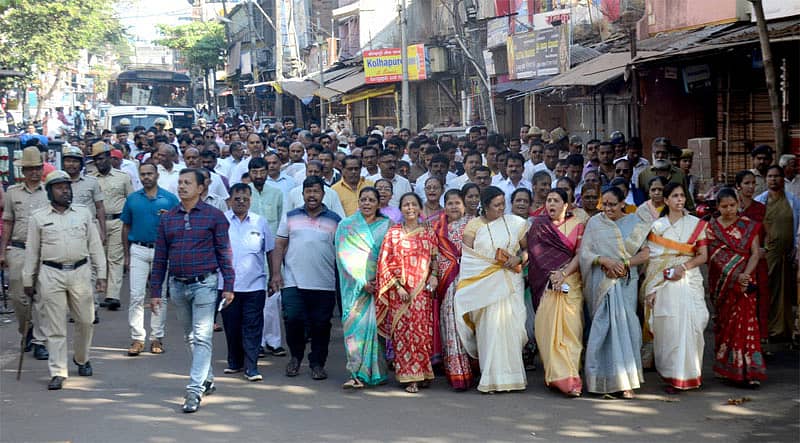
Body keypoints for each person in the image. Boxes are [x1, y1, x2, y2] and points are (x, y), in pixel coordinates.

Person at [150, 168, 236, 413]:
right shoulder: (168, 218)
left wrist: (228, 285)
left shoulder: (215, 216)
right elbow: (160, 258)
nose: (182, 186)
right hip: (177, 286)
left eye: (187, 182)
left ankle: (194, 390)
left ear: (201, 188)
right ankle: (206, 378)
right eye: (180, 182)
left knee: (202, 336)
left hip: (205, 285)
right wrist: (156, 290)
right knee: (190, 336)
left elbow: (224, 253)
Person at [22, 171, 107, 390]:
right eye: (59, 188)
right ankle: (58, 371)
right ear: (49, 192)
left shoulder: (83, 213)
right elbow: (32, 251)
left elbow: (95, 246)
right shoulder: (39, 218)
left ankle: (82, 358)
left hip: (80, 271)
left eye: (67, 187)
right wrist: (28, 280)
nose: (65, 191)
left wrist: (102, 275)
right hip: (50, 274)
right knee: (55, 325)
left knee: (86, 320)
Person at [455, 186, 528, 393]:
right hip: (485, 286)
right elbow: (468, 259)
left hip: (511, 281)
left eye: (503, 204)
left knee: (512, 329)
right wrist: (489, 268)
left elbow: (527, 249)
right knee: (490, 330)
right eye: (496, 206)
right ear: (485, 207)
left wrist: (518, 258)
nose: (501, 209)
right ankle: (491, 379)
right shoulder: (474, 226)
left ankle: (514, 378)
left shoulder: (515, 223)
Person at [579, 186, 650, 399]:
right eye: (605, 204)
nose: (607, 209)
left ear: (622, 204)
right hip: (602, 281)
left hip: (626, 282)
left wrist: (625, 263)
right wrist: (605, 261)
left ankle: (626, 382)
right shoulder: (595, 223)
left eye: (612, 204)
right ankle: (599, 380)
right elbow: (585, 253)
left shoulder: (635, 223)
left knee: (626, 328)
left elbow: (646, 253)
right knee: (603, 328)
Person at [270, 176, 341, 381]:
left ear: (323, 194)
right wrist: (276, 274)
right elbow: (279, 245)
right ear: (302, 194)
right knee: (293, 320)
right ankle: (296, 357)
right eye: (308, 191)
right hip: (293, 280)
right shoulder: (290, 216)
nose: (312, 195)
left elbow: (343, 250)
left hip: (324, 282)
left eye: (316, 191)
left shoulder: (335, 219)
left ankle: (318, 363)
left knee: (321, 324)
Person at [642, 183, 709, 394]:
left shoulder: (697, 224)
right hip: (663, 283)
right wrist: (652, 288)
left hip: (689, 279)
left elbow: (703, 255)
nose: (679, 199)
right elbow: (652, 260)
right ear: (667, 200)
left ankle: (690, 375)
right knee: (669, 328)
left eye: (682, 196)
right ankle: (673, 376)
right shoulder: (657, 227)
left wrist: (682, 267)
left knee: (693, 324)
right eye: (675, 196)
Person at [376, 192, 440, 393]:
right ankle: (409, 377)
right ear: (400, 209)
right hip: (400, 293)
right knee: (404, 334)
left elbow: (435, 259)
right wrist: (398, 286)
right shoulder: (393, 233)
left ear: (420, 208)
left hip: (422, 292)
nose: (410, 208)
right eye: (406, 205)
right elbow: (384, 263)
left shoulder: (428, 232)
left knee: (422, 332)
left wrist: (434, 276)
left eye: (414, 204)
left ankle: (423, 371)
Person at [706, 188, 767, 386]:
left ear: (738, 204)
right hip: (723, 285)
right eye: (724, 206)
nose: (729, 210)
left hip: (745, 283)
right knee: (725, 324)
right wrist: (734, 276)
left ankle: (750, 371)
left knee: (747, 324)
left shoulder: (748, 226)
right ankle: (728, 368)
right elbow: (713, 257)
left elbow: (755, 253)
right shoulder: (711, 229)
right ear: (717, 207)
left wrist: (745, 275)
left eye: (733, 205)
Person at [529, 188, 585, 397]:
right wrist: (553, 275)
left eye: (556, 201)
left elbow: (580, 254)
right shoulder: (538, 226)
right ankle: (555, 376)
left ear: (566, 205)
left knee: (571, 330)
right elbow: (535, 256)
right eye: (548, 200)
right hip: (546, 282)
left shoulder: (578, 225)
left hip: (569, 281)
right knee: (547, 331)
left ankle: (570, 378)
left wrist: (563, 273)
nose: (551, 204)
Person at [335, 187, 391, 388]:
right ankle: (355, 373)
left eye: (371, 200)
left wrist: (380, 280)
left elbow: (392, 254)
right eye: (363, 199)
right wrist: (362, 282)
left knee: (377, 330)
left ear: (378, 204)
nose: (367, 203)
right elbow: (343, 256)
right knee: (354, 329)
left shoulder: (387, 225)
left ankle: (376, 372)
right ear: (358, 202)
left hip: (380, 285)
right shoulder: (346, 225)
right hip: (355, 287)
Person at [121, 162, 179, 356]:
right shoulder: (132, 199)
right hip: (138, 249)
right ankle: (137, 338)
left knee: (159, 295)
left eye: (150, 174)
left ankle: (157, 337)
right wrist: (127, 255)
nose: (146, 177)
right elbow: (126, 227)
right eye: (143, 174)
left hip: (162, 251)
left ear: (157, 175)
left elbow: (179, 226)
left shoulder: (170, 200)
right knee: (136, 295)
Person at [220, 183, 275, 382]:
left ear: (250, 200)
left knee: (252, 326)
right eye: (237, 198)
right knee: (232, 326)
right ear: (230, 199)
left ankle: (251, 367)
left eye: (245, 199)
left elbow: (270, 250)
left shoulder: (260, 222)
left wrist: (275, 276)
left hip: (255, 285)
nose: (241, 202)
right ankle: (235, 361)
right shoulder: (222, 221)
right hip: (227, 286)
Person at [0, 147, 51, 360]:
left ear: (42, 169)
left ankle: (40, 341)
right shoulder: (12, 192)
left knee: (42, 297)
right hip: (19, 248)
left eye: (37, 168)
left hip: (44, 249)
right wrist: (2, 252)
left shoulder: (50, 191)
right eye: (30, 169)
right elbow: (8, 222)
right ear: (24, 170)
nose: (34, 173)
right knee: (17, 296)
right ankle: (27, 330)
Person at [433, 189, 474, 390]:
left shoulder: (474, 225)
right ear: (444, 206)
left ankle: (477, 368)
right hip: (447, 283)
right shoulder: (438, 227)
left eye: (458, 203)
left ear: (464, 205)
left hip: (471, 281)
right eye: (450, 203)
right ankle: (457, 371)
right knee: (451, 324)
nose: (454, 207)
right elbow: (434, 255)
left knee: (470, 325)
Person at [755, 165, 800, 339]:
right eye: (770, 176)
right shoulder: (760, 202)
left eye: (777, 176)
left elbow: (797, 228)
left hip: (788, 254)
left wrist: (796, 249)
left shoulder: (793, 201)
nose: (773, 179)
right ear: (766, 179)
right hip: (767, 254)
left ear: (783, 179)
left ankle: (786, 329)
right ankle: (767, 328)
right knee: (767, 289)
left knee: (788, 291)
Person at [90, 141, 134, 311]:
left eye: (101, 158)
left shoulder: (123, 177)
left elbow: (130, 200)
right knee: (98, 258)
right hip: (96, 222)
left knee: (115, 258)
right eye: (96, 159)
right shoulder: (91, 179)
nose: (99, 162)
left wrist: (130, 224)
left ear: (109, 157)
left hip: (118, 221)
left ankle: (112, 296)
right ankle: (97, 293)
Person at [735, 170, 770, 341]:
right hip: (738, 261)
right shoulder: (731, 208)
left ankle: (760, 340)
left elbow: (769, 233)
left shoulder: (760, 208)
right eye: (746, 183)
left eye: (753, 183)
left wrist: (765, 249)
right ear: (738, 186)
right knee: (740, 298)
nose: (750, 187)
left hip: (758, 260)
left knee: (761, 298)